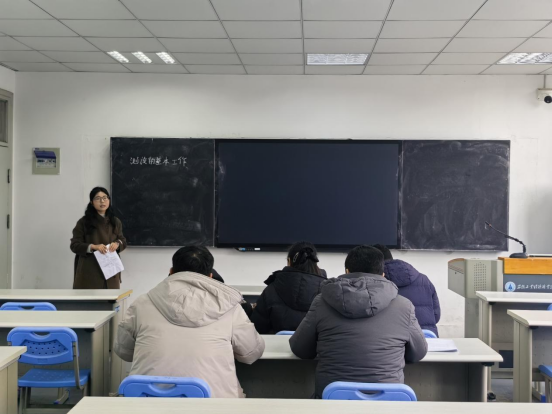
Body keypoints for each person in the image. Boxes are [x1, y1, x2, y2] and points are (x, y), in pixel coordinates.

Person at [114, 246, 265, 398]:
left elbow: (124, 351)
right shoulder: (230, 308)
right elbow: (251, 353)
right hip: (214, 404)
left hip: (147, 401)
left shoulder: (142, 303)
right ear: (210, 276)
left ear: (171, 271)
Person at [290, 245, 427, 398]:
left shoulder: (321, 302)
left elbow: (300, 349)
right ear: (383, 274)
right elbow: (418, 353)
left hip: (333, 403)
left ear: (347, 271)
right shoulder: (404, 306)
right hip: (388, 404)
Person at [250, 241, 327, 334]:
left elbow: (257, 329)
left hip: (275, 344)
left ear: (289, 261)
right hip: (316, 344)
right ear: (315, 262)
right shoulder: (327, 292)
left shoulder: (270, 290)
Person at [373, 244, 441, 337]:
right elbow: (436, 316)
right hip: (427, 338)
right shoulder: (424, 279)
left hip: (393, 341)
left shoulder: (374, 283)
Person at [70, 187, 126, 289]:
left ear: (109, 200)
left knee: (111, 298)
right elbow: (74, 245)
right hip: (90, 272)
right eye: (98, 198)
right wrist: (93, 247)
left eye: (105, 198)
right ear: (92, 202)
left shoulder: (115, 221)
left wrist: (117, 244)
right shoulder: (84, 222)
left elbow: (122, 240)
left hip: (111, 271)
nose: (102, 201)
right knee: (90, 299)